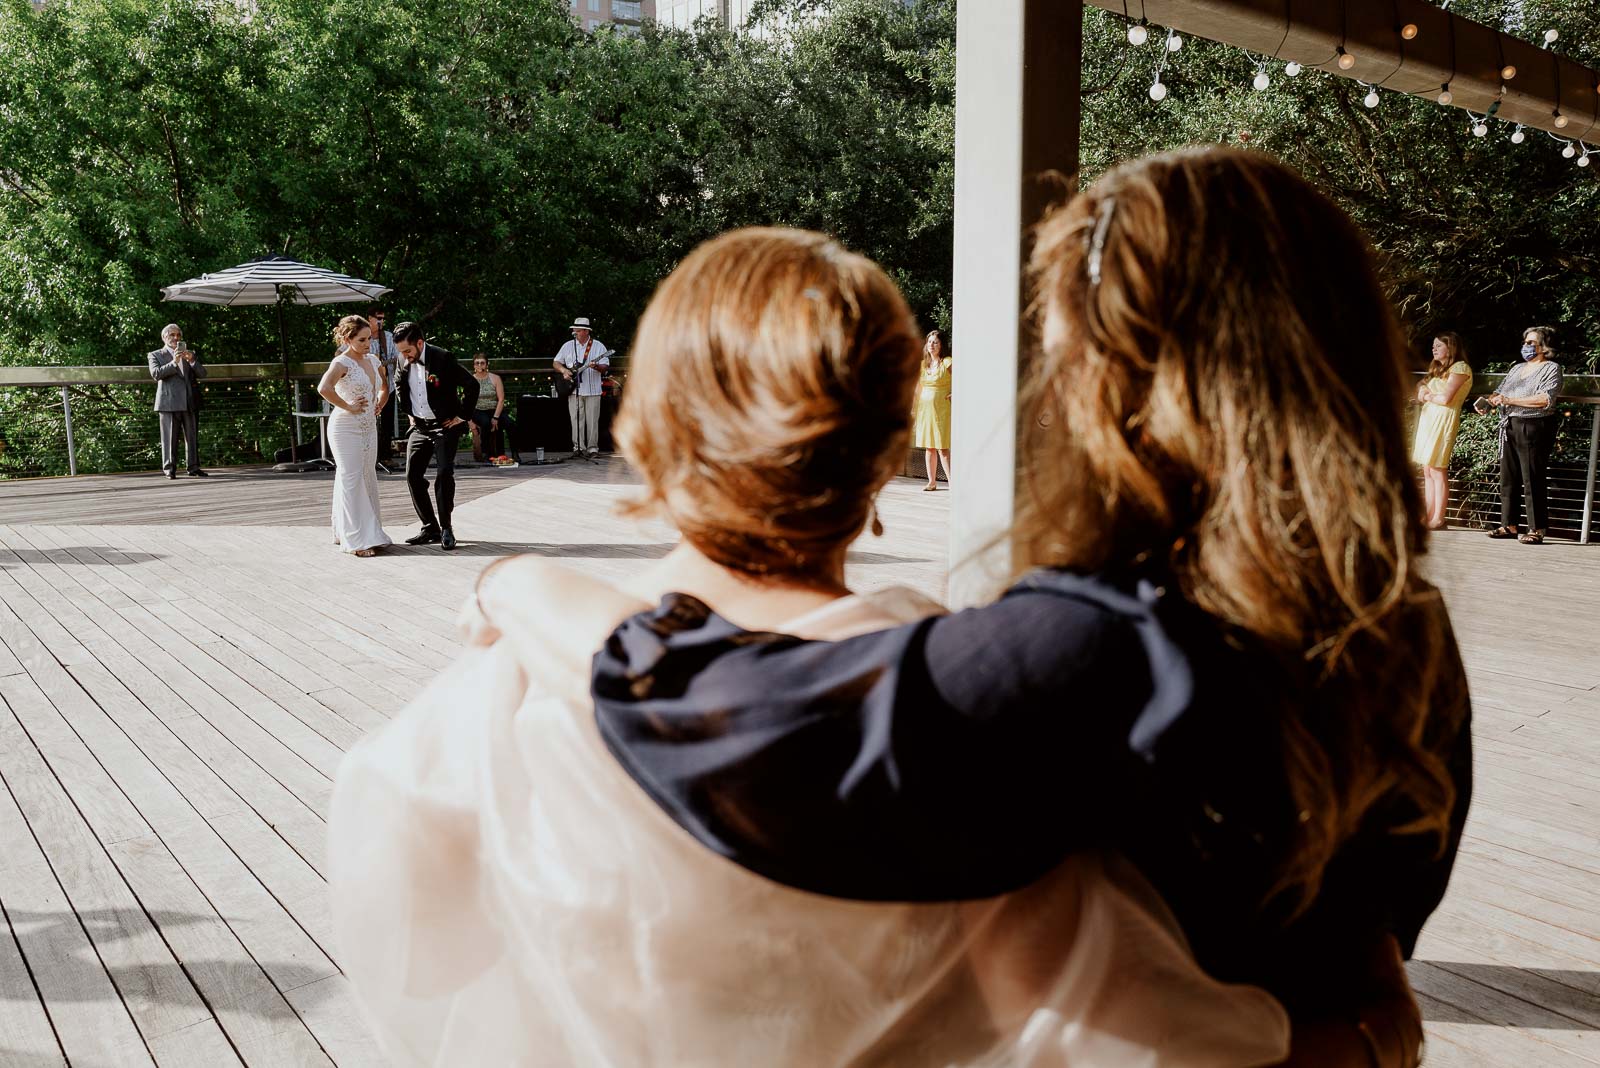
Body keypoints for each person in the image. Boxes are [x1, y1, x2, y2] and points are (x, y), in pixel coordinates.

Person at [554, 148, 1471, 1068]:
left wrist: (530, 590)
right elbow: (1374, 936)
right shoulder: (1408, 629)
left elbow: (736, 727)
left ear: (1123, 370)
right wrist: (1374, 1033)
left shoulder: (1107, 646)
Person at [329, 227, 1291, 1068]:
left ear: (651, 424)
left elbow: (418, 949)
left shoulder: (508, 680)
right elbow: (1098, 1020)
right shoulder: (952, 704)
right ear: (886, 445)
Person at [392, 321, 478, 551]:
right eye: (401, 352)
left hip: (445, 426)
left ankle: (447, 528)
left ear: (420, 343)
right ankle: (430, 527)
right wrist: (409, 413)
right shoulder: (403, 358)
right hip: (419, 426)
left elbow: (472, 385)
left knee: (443, 473)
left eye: (408, 351)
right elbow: (399, 384)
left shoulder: (443, 358)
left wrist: (462, 416)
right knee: (412, 475)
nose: (405, 356)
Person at [1482, 325, 1564, 544]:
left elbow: (1544, 400)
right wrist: (1489, 401)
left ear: (1544, 346)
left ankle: (1536, 528)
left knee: (1532, 477)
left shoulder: (1551, 368)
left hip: (1534, 425)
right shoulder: (1517, 368)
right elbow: (1499, 392)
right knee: (1508, 477)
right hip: (1509, 424)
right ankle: (1508, 525)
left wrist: (1509, 400)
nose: (1526, 346)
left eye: (1531, 343)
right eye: (1525, 342)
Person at [318, 315, 392, 557]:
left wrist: (379, 403)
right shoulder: (341, 363)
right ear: (348, 338)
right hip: (344, 427)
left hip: (368, 426)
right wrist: (347, 405)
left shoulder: (372, 360)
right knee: (351, 476)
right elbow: (323, 388)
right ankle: (356, 540)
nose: (367, 344)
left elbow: (384, 386)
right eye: (361, 340)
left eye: (369, 338)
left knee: (367, 475)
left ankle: (367, 532)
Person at [1412, 332, 1472, 529]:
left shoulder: (1460, 368)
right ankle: (1428, 515)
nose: (1434, 349)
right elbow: (1420, 389)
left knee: (1437, 468)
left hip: (1443, 419)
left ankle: (1439, 517)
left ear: (1451, 348)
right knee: (1427, 469)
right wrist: (1426, 393)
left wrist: (1428, 395)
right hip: (1429, 419)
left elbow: (1446, 398)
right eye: (1433, 345)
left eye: (1438, 345)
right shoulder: (1438, 369)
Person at [148, 323, 208, 479]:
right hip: (168, 403)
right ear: (164, 337)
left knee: (192, 437)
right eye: (172, 335)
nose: (175, 338)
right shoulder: (155, 355)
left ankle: (194, 467)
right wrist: (174, 362)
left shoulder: (189, 354)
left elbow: (203, 373)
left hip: (189, 402)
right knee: (169, 439)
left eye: (178, 335)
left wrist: (193, 360)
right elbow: (156, 374)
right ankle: (169, 469)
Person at [554, 316, 610, 458]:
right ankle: (578, 448)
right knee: (576, 419)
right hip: (574, 391)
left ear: (586, 331)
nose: (575, 333)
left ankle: (592, 449)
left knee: (592, 421)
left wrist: (596, 366)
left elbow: (605, 366)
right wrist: (564, 371)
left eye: (577, 330)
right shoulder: (568, 346)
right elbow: (556, 362)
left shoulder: (598, 346)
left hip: (593, 390)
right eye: (574, 330)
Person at [913, 328, 953, 489]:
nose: (932, 345)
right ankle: (932, 482)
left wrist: (955, 392)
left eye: (935, 342)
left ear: (941, 344)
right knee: (929, 446)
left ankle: (952, 482)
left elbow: (962, 377)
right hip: (925, 409)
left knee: (942, 447)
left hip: (941, 409)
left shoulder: (947, 362)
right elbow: (918, 388)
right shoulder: (923, 364)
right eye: (930, 342)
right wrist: (914, 408)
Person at [468, 353, 517, 463]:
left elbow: (501, 399)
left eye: (482, 363)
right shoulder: (471, 380)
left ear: (486, 364)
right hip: (478, 410)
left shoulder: (495, 378)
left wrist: (495, 417)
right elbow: (467, 402)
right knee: (485, 423)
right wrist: (469, 421)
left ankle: (515, 453)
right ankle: (486, 454)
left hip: (495, 409)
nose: (480, 365)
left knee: (510, 424)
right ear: (474, 366)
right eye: (477, 363)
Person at [368, 310, 398, 469]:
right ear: (369, 319)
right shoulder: (362, 336)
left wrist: (385, 364)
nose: (381, 321)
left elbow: (398, 357)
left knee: (387, 423)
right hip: (367, 388)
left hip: (387, 385)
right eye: (378, 318)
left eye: (383, 319)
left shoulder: (387, 337)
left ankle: (385, 457)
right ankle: (369, 457)